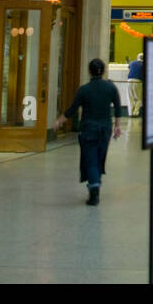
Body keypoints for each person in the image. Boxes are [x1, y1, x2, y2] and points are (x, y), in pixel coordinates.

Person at [53, 58, 123, 205]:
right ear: (103, 71)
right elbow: (117, 108)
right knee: (99, 158)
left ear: (89, 71)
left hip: (88, 129)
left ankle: (94, 190)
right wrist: (117, 126)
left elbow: (72, 110)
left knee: (90, 159)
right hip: (105, 129)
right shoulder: (110, 88)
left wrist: (59, 121)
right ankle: (95, 182)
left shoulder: (83, 90)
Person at [127, 52, 144, 117]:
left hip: (129, 80)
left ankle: (130, 113)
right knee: (138, 98)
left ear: (137, 58)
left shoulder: (132, 62)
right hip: (138, 81)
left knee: (130, 98)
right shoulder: (144, 64)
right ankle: (135, 113)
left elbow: (129, 67)